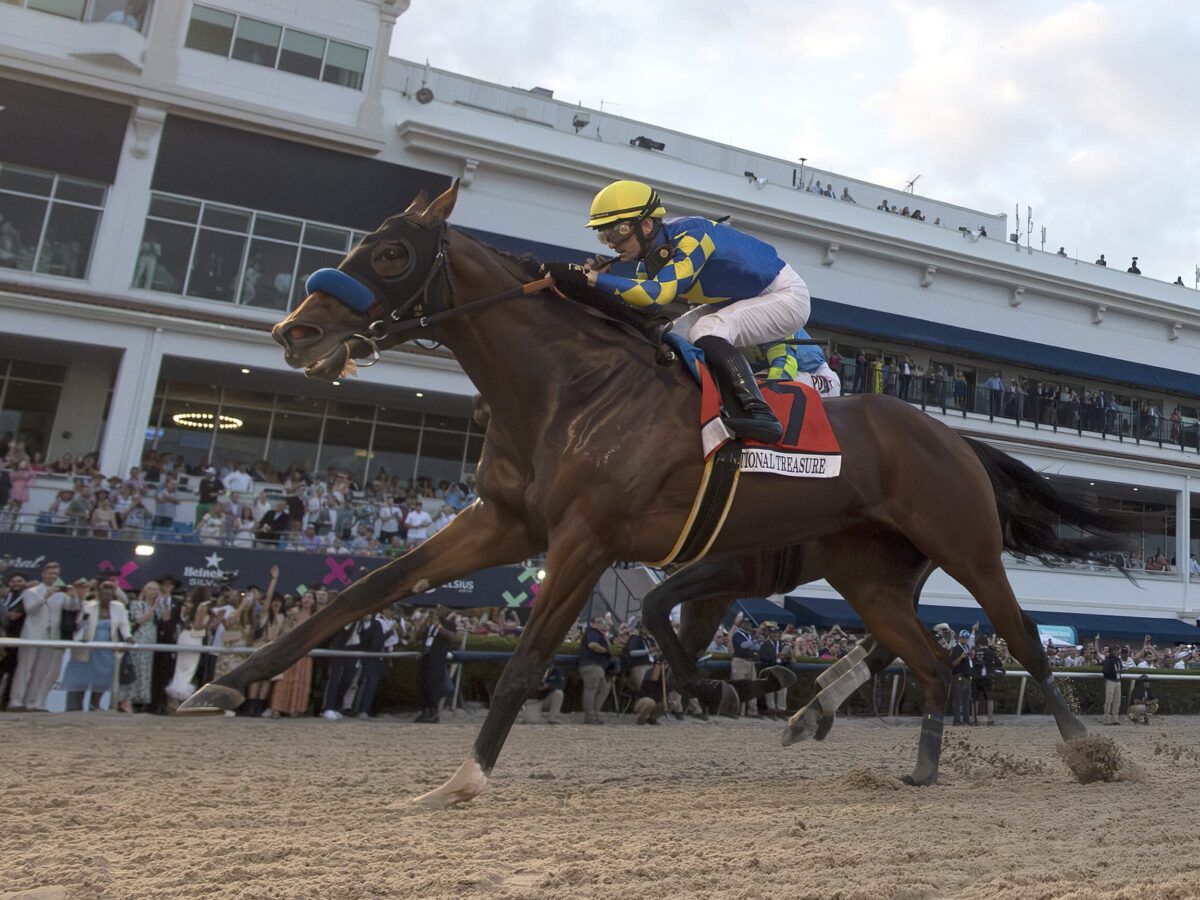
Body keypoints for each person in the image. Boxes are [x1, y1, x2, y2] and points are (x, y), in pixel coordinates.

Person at [547, 180, 811, 443]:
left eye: (616, 233)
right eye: (603, 236)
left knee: (706, 330)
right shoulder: (648, 263)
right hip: (740, 298)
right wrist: (590, 287)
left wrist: (591, 279)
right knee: (669, 336)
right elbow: (644, 307)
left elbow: (657, 293)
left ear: (646, 225)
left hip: (784, 294)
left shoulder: (693, 236)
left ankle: (760, 413)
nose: (611, 244)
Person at [7, 561, 68, 712]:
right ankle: (16, 701)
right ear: (43, 574)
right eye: (50, 573)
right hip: (32, 635)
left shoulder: (60, 595)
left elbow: (72, 607)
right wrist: (45, 596)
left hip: (50, 637)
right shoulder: (31, 592)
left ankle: (32, 702)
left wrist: (75, 595)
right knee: (24, 669)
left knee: (41, 672)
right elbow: (30, 610)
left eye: (55, 574)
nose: (52, 576)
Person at [63, 581, 133, 711]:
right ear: (98, 593)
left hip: (106, 650)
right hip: (87, 648)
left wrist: (128, 637)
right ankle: (76, 707)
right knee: (81, 678)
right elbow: (80, 625)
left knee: (102, 680)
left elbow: (124, 625)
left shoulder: (119, 607)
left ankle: (94, 705)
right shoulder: (87, 606)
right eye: (104, 591)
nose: (107, 594)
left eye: (109, 591)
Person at [415, 605, 456, 723]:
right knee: (422, 683)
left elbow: (450, 637)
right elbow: (418, 636)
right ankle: (425, 710)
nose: (436, 611)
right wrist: (425, 623)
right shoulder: (429, 624)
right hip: (425, 655)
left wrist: (438, 624)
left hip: (437, 657)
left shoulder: (448, 624)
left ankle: (434, 711)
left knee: (434, 684)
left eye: (439, 609)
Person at [577, 614, 612, 725]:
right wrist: (605, 651)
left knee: (604, 688)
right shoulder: (592, 632)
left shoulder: (600, 634)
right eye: (599, 621)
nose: (602, 624)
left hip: (597, 666)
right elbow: (592, 645)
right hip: (591, 664)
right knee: (591, 689)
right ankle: (590, 716)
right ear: (593, 624)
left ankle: (595, 713)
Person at [948, 628, 974, 725]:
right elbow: (952, 664)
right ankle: (957, 720)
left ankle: (966, 719)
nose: (966, 640)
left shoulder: (967, 647)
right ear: (960, 638)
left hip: (967, 676)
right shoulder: (956, 649)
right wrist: (961, 657)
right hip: (959, 676)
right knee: (958, 699)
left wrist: (970, 656)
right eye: (964, 638)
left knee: (966, 700)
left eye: (967, 638)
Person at [1101, 644, 1123, 725]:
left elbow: (1121, 668)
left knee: (1117, 701)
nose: (1118, 651)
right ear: (1113, 651)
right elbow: (1105, 671)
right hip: (1110, 681)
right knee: (1108, 700)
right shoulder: (1108, 660)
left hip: (1117, 681)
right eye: (1116, 650)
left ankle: (1115, 718)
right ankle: (1106, 718)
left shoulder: (1118, 660)